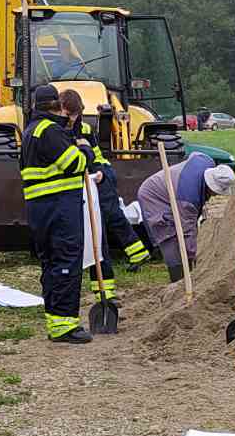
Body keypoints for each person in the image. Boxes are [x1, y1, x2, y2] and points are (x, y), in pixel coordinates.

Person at [61, 90, 151, 312]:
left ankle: (107, 291)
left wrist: (98, 171)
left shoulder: (84, 128)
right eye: (69, 114)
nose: (72, 119)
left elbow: (93, 155)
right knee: (99, 229)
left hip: (97, 176)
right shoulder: (55, 131)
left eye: (75, 114)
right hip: (78, 184)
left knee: (102, 229)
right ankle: (134, 255)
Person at [20, 84, 91, 344]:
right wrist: (85, 148)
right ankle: (65, 326)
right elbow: (75, 163)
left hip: (40, 208)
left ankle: (55, 321)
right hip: (59, 207)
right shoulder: (49, 130)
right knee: (66, 262)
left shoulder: (30, 131)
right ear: (56, 105)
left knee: (51, 263)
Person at [135, 153, 235, 280]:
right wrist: (197, 255)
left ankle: (188, 271)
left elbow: (194, 155)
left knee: (185, 235)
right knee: (169, 236)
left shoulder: (206, 161)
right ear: (210, 185)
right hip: (153, 197)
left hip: (174, 191)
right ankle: (178, 278)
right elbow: (187, 231)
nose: (215, 195)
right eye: (215, 192)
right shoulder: (188, 199)